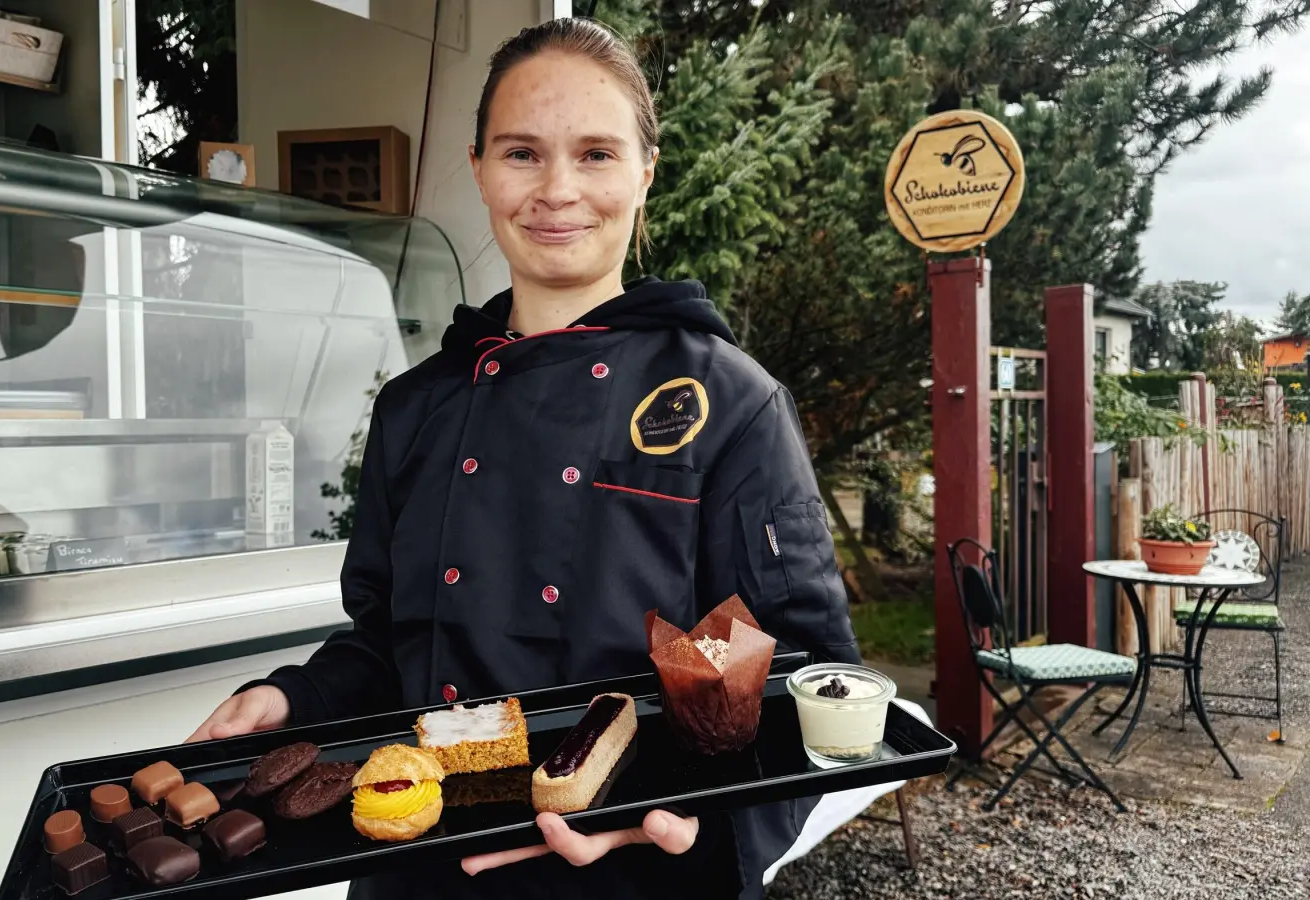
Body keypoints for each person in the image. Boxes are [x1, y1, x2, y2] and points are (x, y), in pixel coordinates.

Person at [188, 18, 859, 900]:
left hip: (628, 874)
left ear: (644, 172)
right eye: (521, 153)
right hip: (421, 871)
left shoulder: (728, 405)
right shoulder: (416, 408)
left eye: (595, 154)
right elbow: (392, 648)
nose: (556, 189)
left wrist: (687, 831)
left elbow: (810, 683)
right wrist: (295, 701)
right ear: (477, 170)